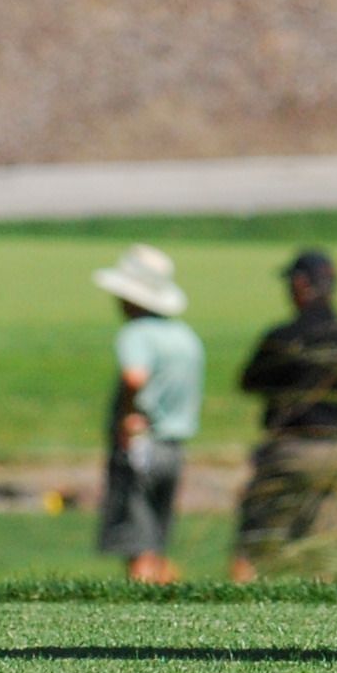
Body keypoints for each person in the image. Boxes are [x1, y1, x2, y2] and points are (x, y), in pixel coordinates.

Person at [231, 247, 337, 582]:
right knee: (323, 546)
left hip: (290, 448)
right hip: (336, 448)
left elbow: (249, 381)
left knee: (255, 541)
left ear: (301, 284)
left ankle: (235, 614)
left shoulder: (283, 337)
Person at [91, 244, 205, 583]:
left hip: (143, 444)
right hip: (174, 447)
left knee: (137, 544)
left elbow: (134, 376)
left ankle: (139, 622)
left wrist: (128, 415)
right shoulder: (185, 337)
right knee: (156, 541)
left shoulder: (136, 334)